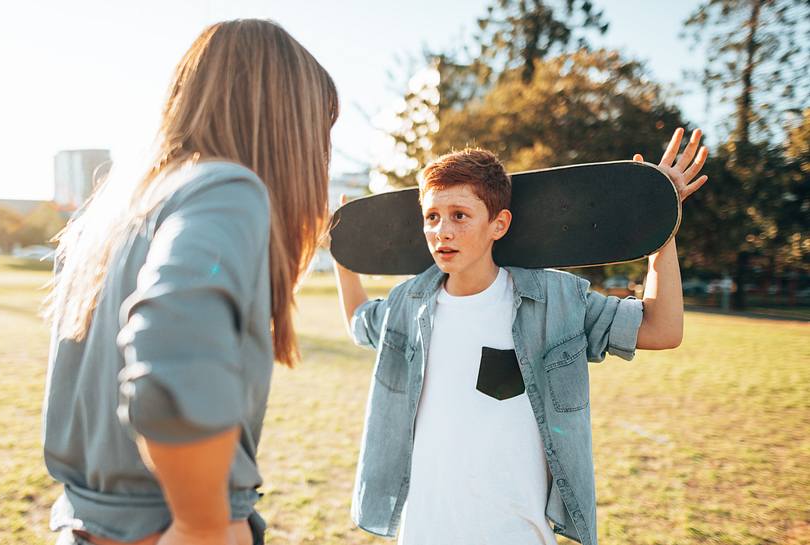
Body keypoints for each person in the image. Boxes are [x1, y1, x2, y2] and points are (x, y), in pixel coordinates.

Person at [333, 128, 708, 545]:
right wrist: (342, 255)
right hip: (425, 529)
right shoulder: (407, 304)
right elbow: (361, 322)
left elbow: (662, 328)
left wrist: (660, 229)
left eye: (460, 215)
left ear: (499, 224)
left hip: (515, 532)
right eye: (432, 216)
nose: (442, 231)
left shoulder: (555, 301)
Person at [42, 19, 338, 545]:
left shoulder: (115, 212)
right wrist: (200, 526)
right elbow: (172, 349)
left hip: (83, 528)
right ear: (287, 126)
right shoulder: (227, 188)